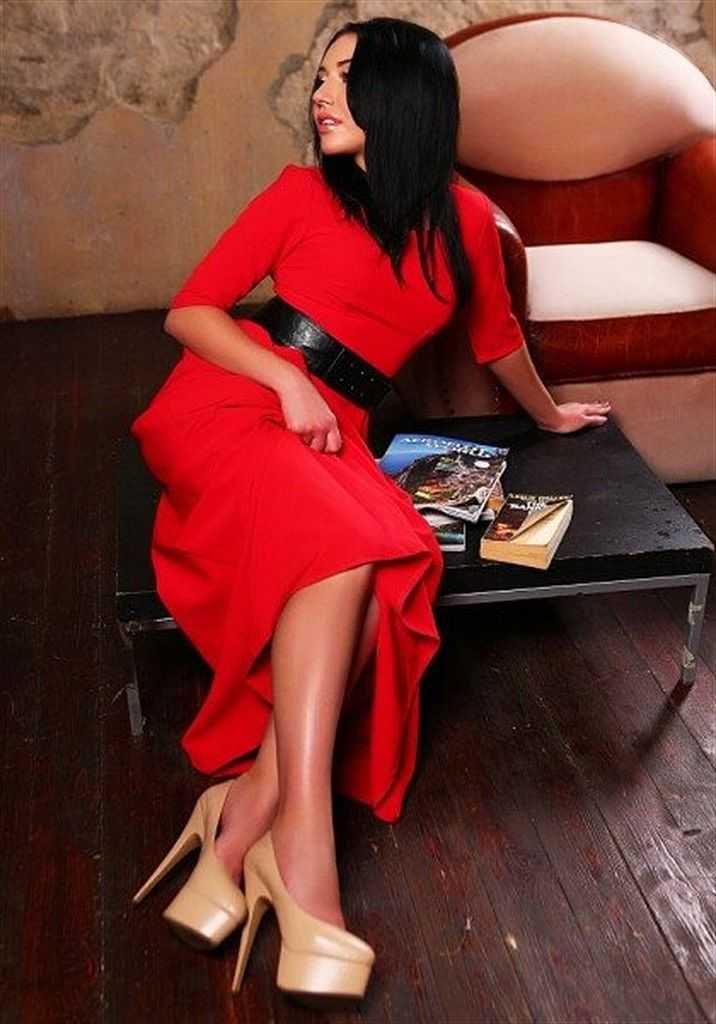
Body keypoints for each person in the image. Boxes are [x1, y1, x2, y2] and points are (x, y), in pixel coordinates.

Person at [130, 16, 612, 1002]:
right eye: (319, 76)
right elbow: (190, 311)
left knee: (382, 556)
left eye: (345, 75)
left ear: (407, 92)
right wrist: (285, 378)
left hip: (329, 437)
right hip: (231, 405)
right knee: (357, 551)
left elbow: (495, 338)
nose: (321, 93)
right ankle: (304, 852)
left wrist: (550, 414)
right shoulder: (298, 192)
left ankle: (240, 818)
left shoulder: (465, 220)